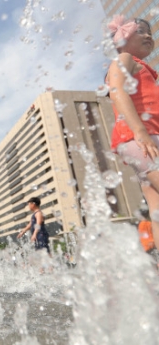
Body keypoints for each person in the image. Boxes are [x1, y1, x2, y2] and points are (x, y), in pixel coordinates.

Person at [106, 15, 159, 262]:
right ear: (124, 38)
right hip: (141, 139)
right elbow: (116, 89)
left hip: (142, 140)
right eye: (141, 31)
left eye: (149, 32)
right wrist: (140, 131)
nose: (148, 35)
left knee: (156, 208)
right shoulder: (125, 59)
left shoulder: (139, 65)